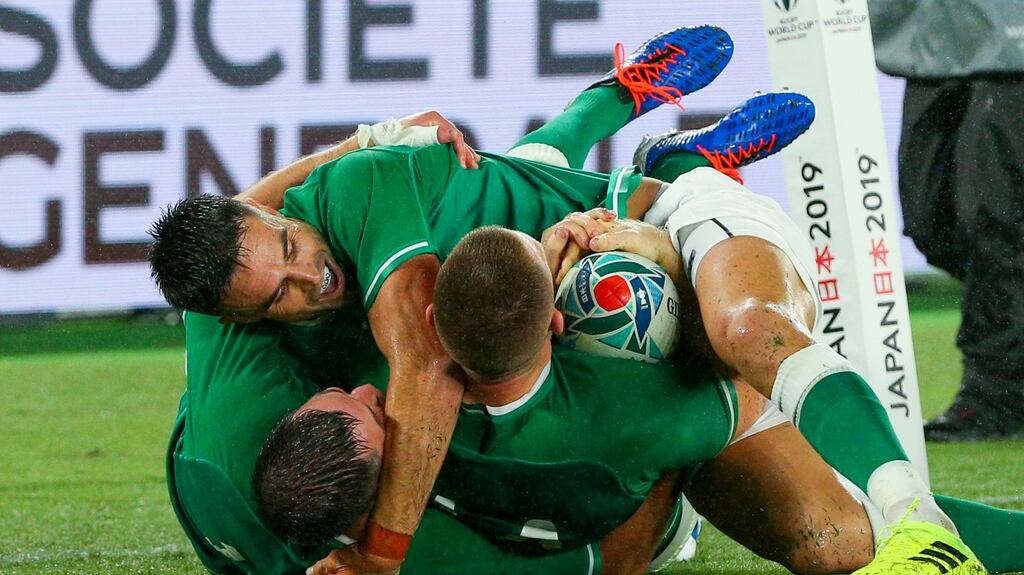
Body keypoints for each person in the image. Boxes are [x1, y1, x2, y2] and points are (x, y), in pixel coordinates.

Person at [155, 25, 763, 574]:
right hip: (260, 484)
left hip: (231, 480)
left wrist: (370, 139)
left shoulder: (228, 323)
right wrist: (664, 447)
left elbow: (247, 216)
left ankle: (627, 108)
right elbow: (614, 562)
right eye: (278, 294)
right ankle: (677, 160)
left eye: (291, 245)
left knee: (499, 235)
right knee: (513, 271)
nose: (311, 277)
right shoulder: (417, 541)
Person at [259, 226, 1022, 575]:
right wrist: (660, 461)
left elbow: (735, 385)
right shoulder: (447, 525)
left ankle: (683, 161)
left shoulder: (413, 330)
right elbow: (611, 558)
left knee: (747, 331)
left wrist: (651, 242)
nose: (375, 388)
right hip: (641, 423)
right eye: (367, 409)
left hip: (688, 227)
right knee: (836, 541)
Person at [867, 1, 1024, 441]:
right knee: (929, 222)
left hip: (1010, 42)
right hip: (930, 37)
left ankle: (997, 396)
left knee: (995, 225)